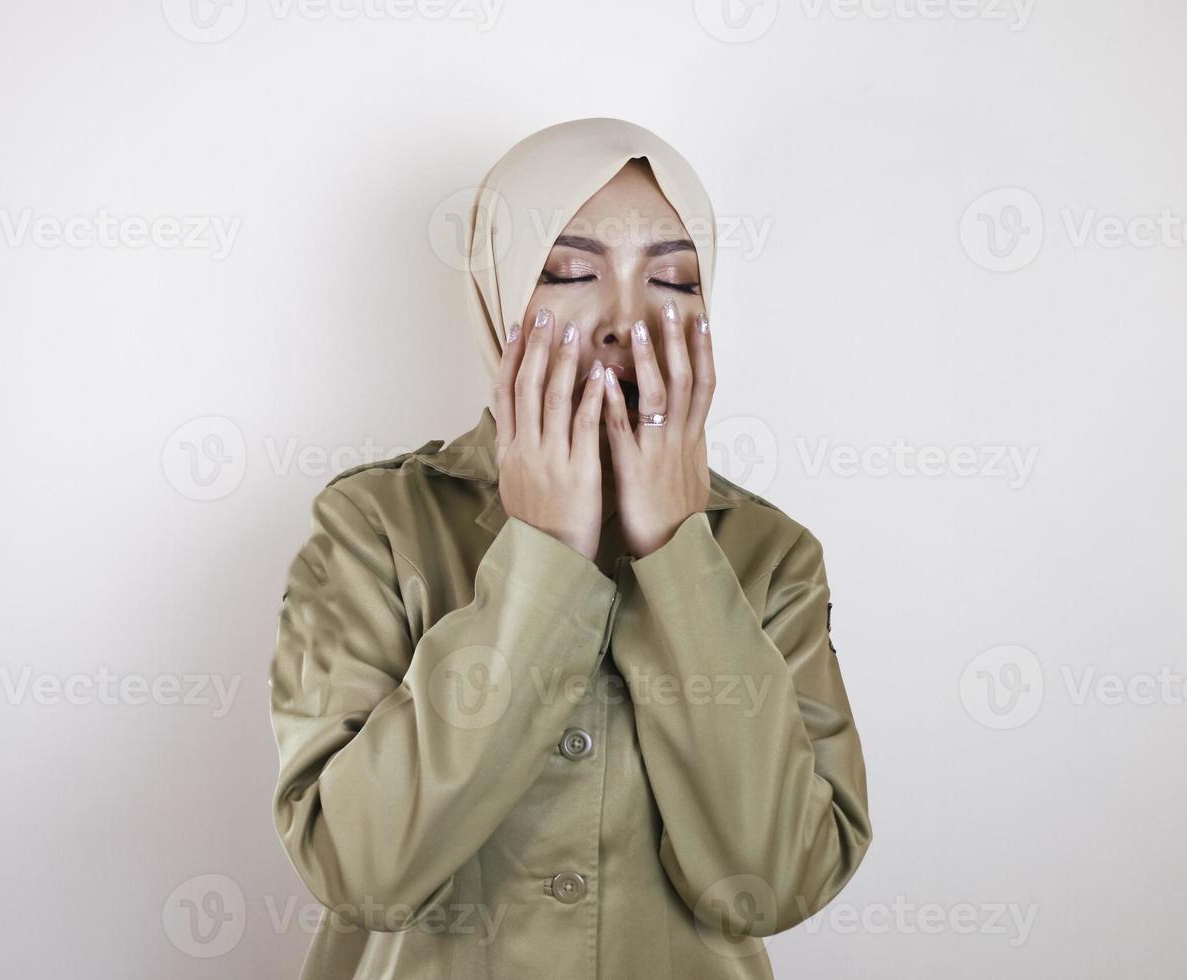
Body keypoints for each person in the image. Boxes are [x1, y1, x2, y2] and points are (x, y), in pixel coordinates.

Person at [268, 117, 872, 979]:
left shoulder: (771, 555)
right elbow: (359, 870)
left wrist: (680, 555)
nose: (627, 321)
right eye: (570, 272)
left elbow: (776, 882)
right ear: (499, 293)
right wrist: (545, 554)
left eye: (673, 279)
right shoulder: (375, 525)